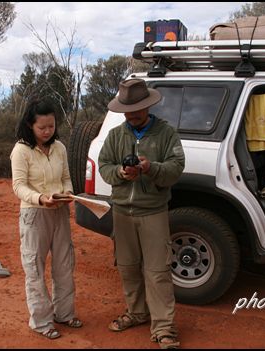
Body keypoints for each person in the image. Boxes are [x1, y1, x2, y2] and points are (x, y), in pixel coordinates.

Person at [98, 79, 185, 349]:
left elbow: (176, 168)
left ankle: (164, 328)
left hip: (153, 212)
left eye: (137, 108)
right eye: (128, 109)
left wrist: (150, 168)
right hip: (122, 213)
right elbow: (104, 166)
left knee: (158, 271)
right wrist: (121, 174)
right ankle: (137, 313)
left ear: (148, 105)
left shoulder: (166, 133)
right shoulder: (115, 135)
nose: (132, 114)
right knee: (127, 268)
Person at [10, 100, 81, 340]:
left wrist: (67, 194)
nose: (48, 131)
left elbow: (66, 177)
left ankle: (64, 313)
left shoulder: (59, 147)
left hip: (59, 210)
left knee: (64, 264)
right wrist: (40, 198)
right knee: (35, 268)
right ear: (30, 125)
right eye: (42, 127)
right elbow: (18, 186)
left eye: (51, 125)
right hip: (35, 213)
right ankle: (41, 322)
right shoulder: (21, 150)